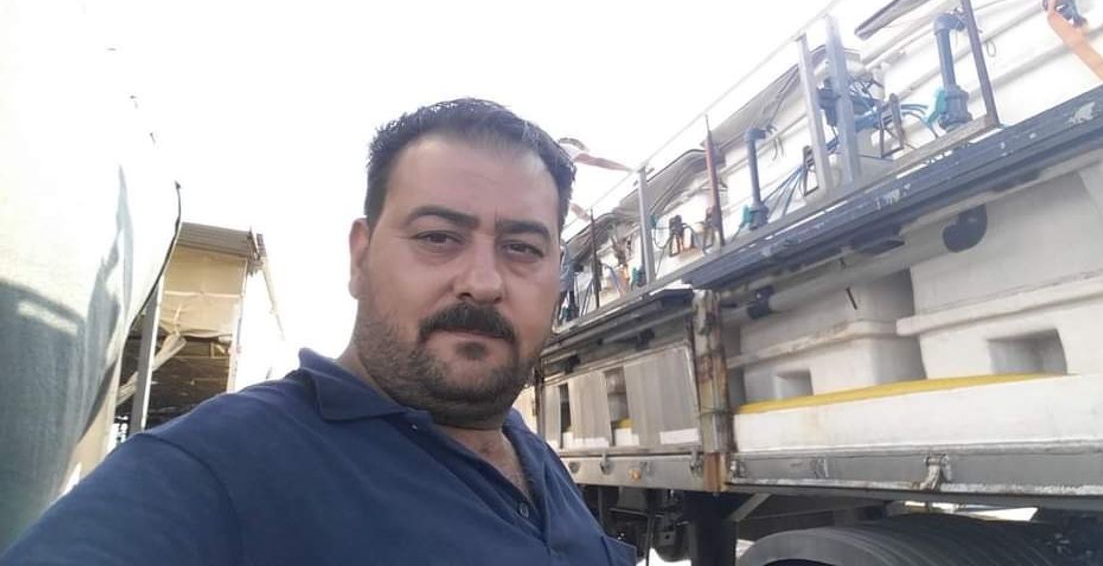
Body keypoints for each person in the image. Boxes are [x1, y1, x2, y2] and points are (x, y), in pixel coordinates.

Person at [1, 99, 637, 565]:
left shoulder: (534, 460)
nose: (483, 281)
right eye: (438, 237)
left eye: (522, 247)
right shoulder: (219, 469)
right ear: (360, 258)